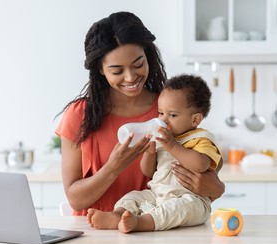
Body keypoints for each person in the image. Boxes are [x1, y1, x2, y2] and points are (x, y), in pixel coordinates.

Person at [55, 11, 224, 216]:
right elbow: (76, 200)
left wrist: (216, 187)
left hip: (155, 232)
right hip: (95, 234)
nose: (130, 77)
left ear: (148, 56)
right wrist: (113, 167)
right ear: (100, 69)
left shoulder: (169, 112)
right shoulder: (80, 115)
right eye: (117, 71)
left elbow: (211, 183)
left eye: (138, 64)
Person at [87, 74, 222, 233]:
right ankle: (118, 215)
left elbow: (201, 165)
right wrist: (149, 153)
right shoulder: (162, 139)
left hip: (189, 200)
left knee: (179, 208)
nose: (164, 120)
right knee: (135, 197)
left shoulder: (201, 138)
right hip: (155, 200)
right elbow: (148, 172)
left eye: (172, 115)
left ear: (195, 120)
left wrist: (172, 145)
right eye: (160, 113)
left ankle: (140, 223)